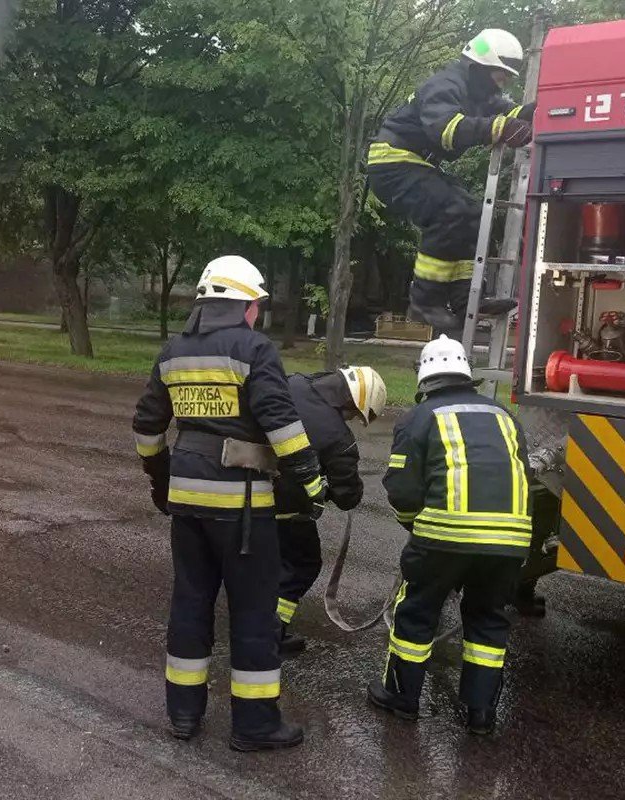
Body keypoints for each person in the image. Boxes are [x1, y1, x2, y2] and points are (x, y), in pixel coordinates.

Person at [132, 255, 328, 752]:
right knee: (254, 612)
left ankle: (182, 714)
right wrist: (310, 480)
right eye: (257, 304)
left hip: (186, 502)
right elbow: (279, 420)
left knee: (191, 602)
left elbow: (147, 427)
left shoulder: (173, 351)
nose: (258, 313)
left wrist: (160, 482)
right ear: (244, 304)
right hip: (241, 507)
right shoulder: (253, 348)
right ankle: (255, 724)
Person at [368, 335, 531, 735]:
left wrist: (414, 526)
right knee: (488, 620)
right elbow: (523, 474)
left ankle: (402, 699)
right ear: (465, 373)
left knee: (417, 612)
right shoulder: (504, 415)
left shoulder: (419, 417)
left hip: (442, 538)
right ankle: (480, 714)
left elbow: (402, 489)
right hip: (509, 542)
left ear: (425, 377)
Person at [367, 28, 535, 335]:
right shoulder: (446, 85)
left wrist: (544, 111)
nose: (503, 84)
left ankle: (466, 299)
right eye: (501, 77)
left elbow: (512, 114)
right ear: (481, 69)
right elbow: (445, 130)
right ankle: (424, 299)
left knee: (471, 213)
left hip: (416, 163)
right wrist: (497, 128)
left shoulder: (479, 94)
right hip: (392, 163)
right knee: (450, 209)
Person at [274, 366, 387, 657]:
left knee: (258, 564)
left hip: (244, 494)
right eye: (354, 414)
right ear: (351, 401)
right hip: (287, 511)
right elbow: (349, 497)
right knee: (302, 565)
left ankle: (251, 621)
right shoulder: (339, 438)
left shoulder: (294, 381)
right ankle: (270, 633)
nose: (350, 420)